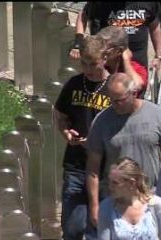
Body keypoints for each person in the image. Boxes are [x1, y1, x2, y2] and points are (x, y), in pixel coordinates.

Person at [86, 72, 161, 229]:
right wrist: (94, 206)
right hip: (116, 201)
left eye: (119, 100)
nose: (114, 104)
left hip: (149, 198)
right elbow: (92, 169)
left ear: (134, 93)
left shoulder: (157, 115)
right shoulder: (101, 122)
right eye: (111, 100)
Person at [54, 35, 111, 240]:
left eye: (93, 63)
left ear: (105, 58)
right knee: (73, 227)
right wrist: (66, 132)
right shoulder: (75, 84)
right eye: (84, 63)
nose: (88, 68)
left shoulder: (114, 87)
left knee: (101, 227)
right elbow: (61, 115)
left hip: (106, 168)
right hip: (76, 164)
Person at [70, 2, 161, 71]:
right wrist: (78, 43)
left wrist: (158, 56)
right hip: (106, 62)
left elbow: (155, 27)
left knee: (135, 91)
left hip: (137, 62)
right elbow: (83, 14)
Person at [98, 157, 161, 240]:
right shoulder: (106, 207)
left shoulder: (156, 204)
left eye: (115, 183)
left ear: (132, 183)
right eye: (109, 182)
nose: (110, 187)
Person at [96, 26, 148, 97]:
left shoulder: (136, 69)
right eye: (98, 47)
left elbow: (136, 86)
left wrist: (126, 60)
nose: (99, 53)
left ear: (119, 51)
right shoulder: (95, 64)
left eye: (105, 51)